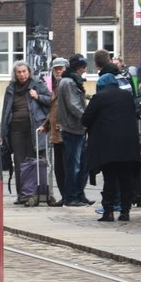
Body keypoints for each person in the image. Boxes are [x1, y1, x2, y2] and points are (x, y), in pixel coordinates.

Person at [82, 72, 141, 222]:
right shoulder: (126, 96)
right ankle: (125, 212)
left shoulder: (99, 97)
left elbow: (85, 119)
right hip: (128, 144)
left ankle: (108, 212)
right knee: (125, 178)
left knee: (110, 178)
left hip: (108, 146)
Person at [0, 60, 51, 203]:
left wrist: (37, 96)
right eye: (19, 72)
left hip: (33, 129)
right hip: (16, 131)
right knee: (19, 162)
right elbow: (5, 111)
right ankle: (22, 195)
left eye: (24, 71)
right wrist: (3, 133)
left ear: (29, 72)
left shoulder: (37, 84)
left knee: (33, 161)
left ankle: (33, 194)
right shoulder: (11, 88)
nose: (22, 75)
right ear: (15, 74)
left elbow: (50, 100)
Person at [57, 54, 90, 206]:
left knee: (78, 164)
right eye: (83, 67)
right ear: (78, 67)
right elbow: (73, 105)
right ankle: (71, 197)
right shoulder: (69, 82)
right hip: (73, 128)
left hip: (75, 128)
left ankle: (77, 194)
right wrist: (87, 118)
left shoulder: (70, 81)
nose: (85, 70)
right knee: (74, 165)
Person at [37, 57, 68, 204]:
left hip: (66, 131)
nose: (59, 71)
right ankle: (65, 196)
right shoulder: (56, 86)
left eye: (61, 68)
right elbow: (53, 110)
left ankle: (70, 196)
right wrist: (46, 125)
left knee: (67, 166)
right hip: (56, 133)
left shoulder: (67, 84)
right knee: (59, 168)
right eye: (56, 69)